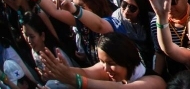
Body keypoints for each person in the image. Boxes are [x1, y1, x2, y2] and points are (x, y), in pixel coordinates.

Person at [38, 32, 166, 88]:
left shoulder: (154, 82)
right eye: (102, 61)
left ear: (127, 60)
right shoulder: (110, 68)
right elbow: (87, 73)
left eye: (111, 63)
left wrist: (73, 79)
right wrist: (63, 71)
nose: (105, 68)